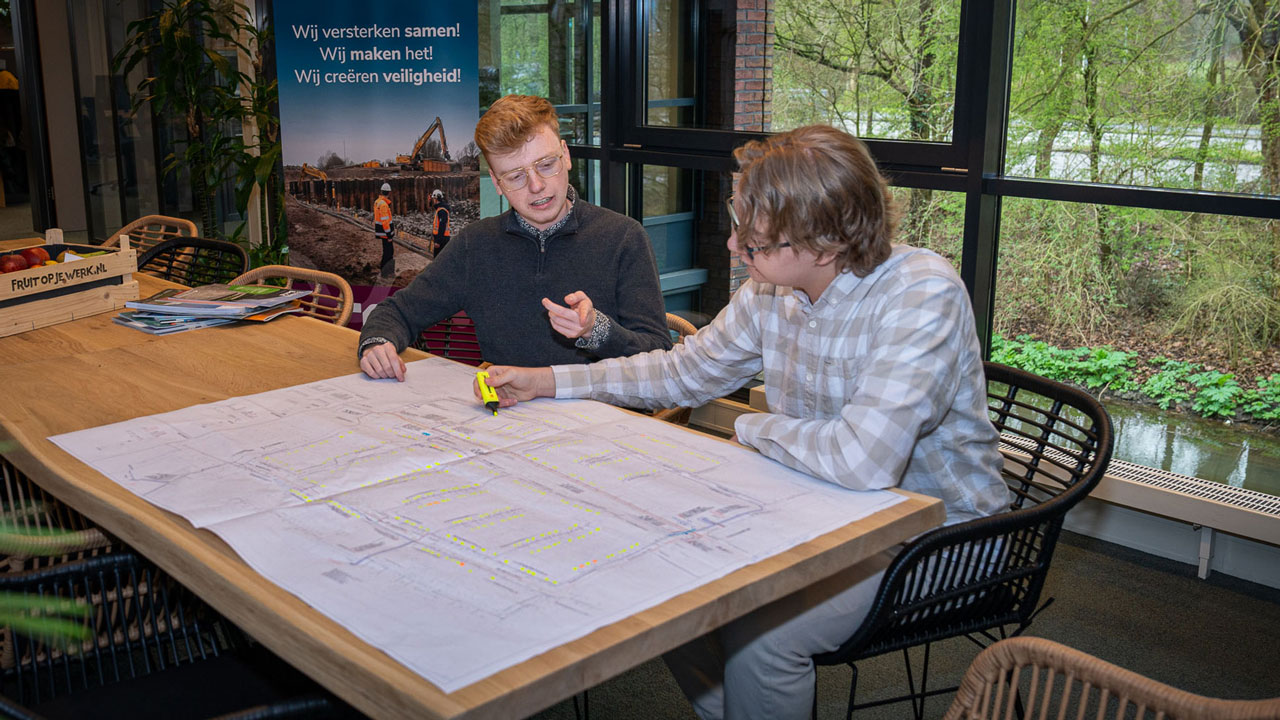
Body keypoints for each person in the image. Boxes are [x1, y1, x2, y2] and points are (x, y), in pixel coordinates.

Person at [477, 124, 1010, 720]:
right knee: (664, 587)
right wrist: (548, 380)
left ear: (825, 243)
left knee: (764, 637)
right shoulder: (769, 291)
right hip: (814, 507)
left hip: (940, 540)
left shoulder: (920, 294)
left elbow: (865, 461)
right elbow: (679, 373)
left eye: (754, 243)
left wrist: (755, 430)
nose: (734, 248)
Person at [359, 95, 670, 379]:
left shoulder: (624, 238)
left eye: (546, 165)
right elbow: (397, 311)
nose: (536, 186)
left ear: (566, 155)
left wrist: (596, 331)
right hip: (509, 422)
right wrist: (378, 344)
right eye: (516, 176)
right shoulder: (476, 245)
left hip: (604, 423)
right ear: (496, 182)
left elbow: (660, 359)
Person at [374, 182, 395, 281]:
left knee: (388, 251)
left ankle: (388, 271)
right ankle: (385, 273)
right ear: (389, 192)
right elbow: (385, 221)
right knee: (388, 252)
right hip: (385, 233)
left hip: (381, 232)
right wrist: (389, 235)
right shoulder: (383, 205)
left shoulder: (378, 202)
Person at [430, 188, 451, 255]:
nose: (433, 201)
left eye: (433, 199)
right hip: (442, 238)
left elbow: (442, 226)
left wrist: (438, 242)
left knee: (438, 260)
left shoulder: (442, 210)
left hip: (442, 240)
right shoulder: (440, 209)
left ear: (436, 199)